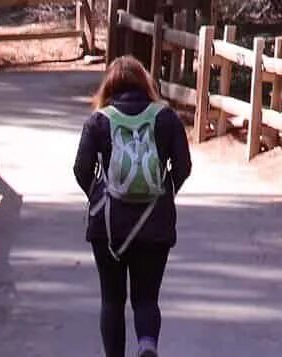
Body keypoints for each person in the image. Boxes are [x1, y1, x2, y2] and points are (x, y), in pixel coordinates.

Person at [74, 55, 192, 357]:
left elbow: (81, 169)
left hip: (109, 225)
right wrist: (164, 195)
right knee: (147, 298)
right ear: (145, 83)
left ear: (108, 86)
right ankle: (147, 345)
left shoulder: (99, 120)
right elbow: (183, 166)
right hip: (154, 223)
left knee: (112, 299)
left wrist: (99, 198)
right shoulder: (166, 117)